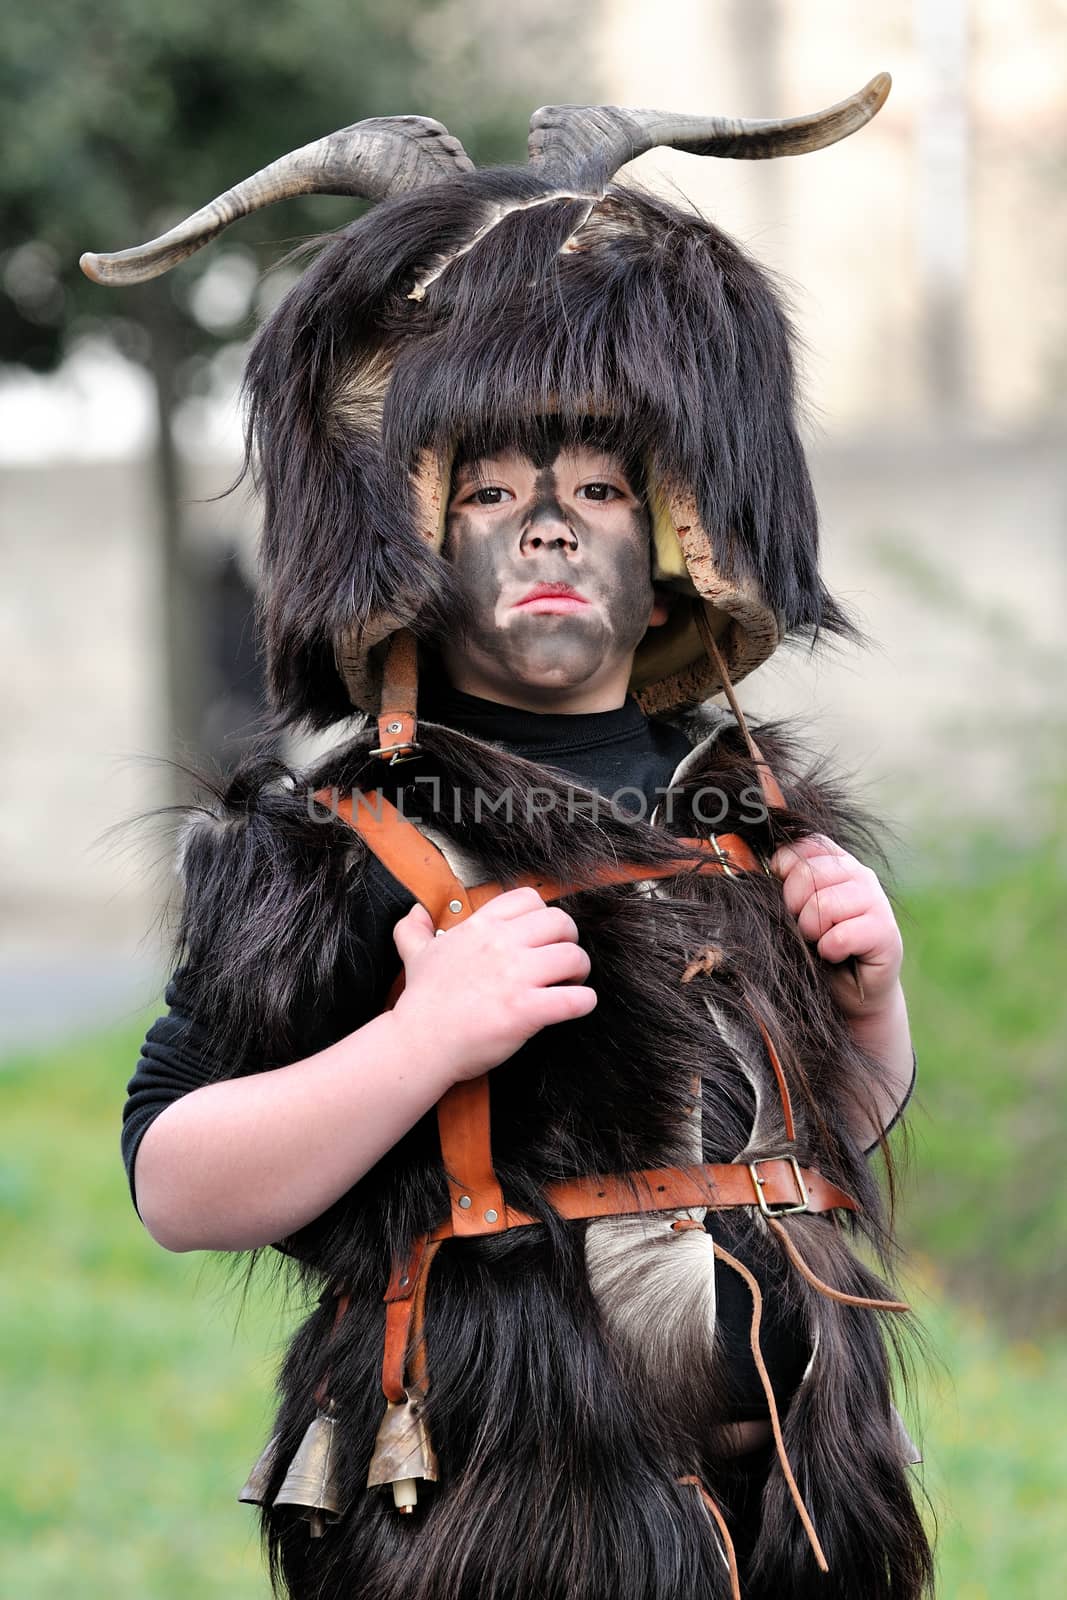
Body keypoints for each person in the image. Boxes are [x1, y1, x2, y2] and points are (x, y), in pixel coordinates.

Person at [90, 79, 933, 1599]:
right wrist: (423, 1042)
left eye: (599, 486)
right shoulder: (337, 843)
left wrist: (871, 1001)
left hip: (805, 1522)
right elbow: (176, 1180)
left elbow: (817, 1141)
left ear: (674, 536)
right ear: (411, 537)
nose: (549, 525)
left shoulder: (742, 815)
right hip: (499, 1528)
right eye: (489, 489)